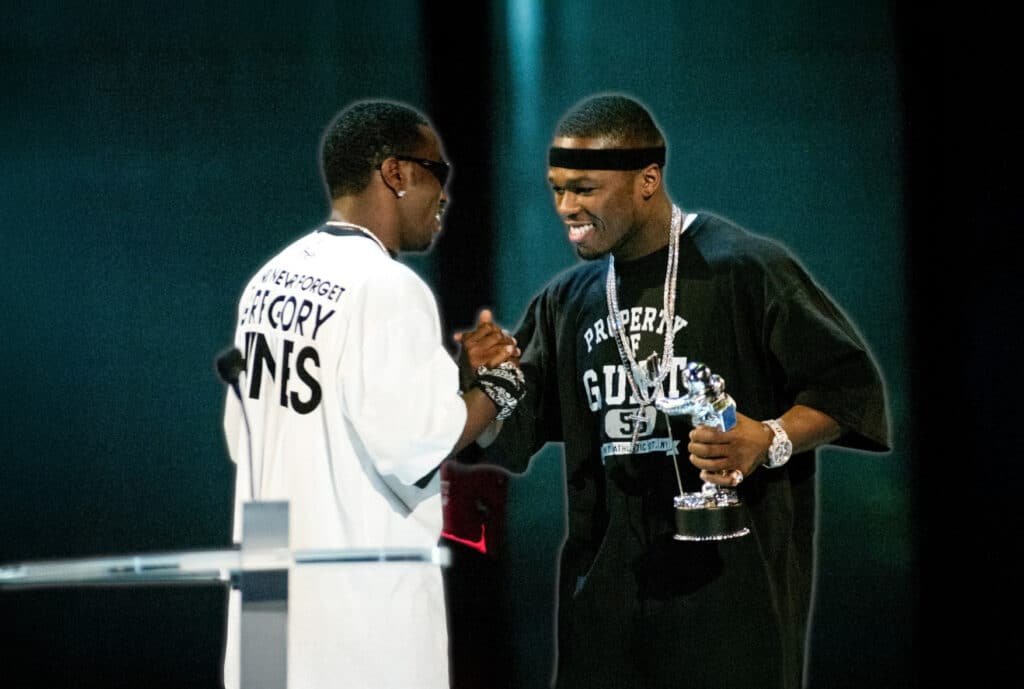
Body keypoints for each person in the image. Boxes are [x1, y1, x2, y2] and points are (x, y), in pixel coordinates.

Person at [465, 94, 890, 689]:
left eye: (584, 189)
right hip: (607, 617)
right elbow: (507, 434)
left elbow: (849, 390)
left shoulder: (745, 268)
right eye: (557, 189)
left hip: (732, 613)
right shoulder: (566, 300)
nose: (566, 207)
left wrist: (767, 439)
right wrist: (484, 380)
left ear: (646, 179)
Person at [221, 100, 523, 689]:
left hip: (267, 626)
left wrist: (451, 380)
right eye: (438, 173)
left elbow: (248, 439)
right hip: (359, 633)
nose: (445, 195)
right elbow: (421, 444)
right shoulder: (388, 287)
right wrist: (503, 383)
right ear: (396, 173)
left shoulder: (268, 281)